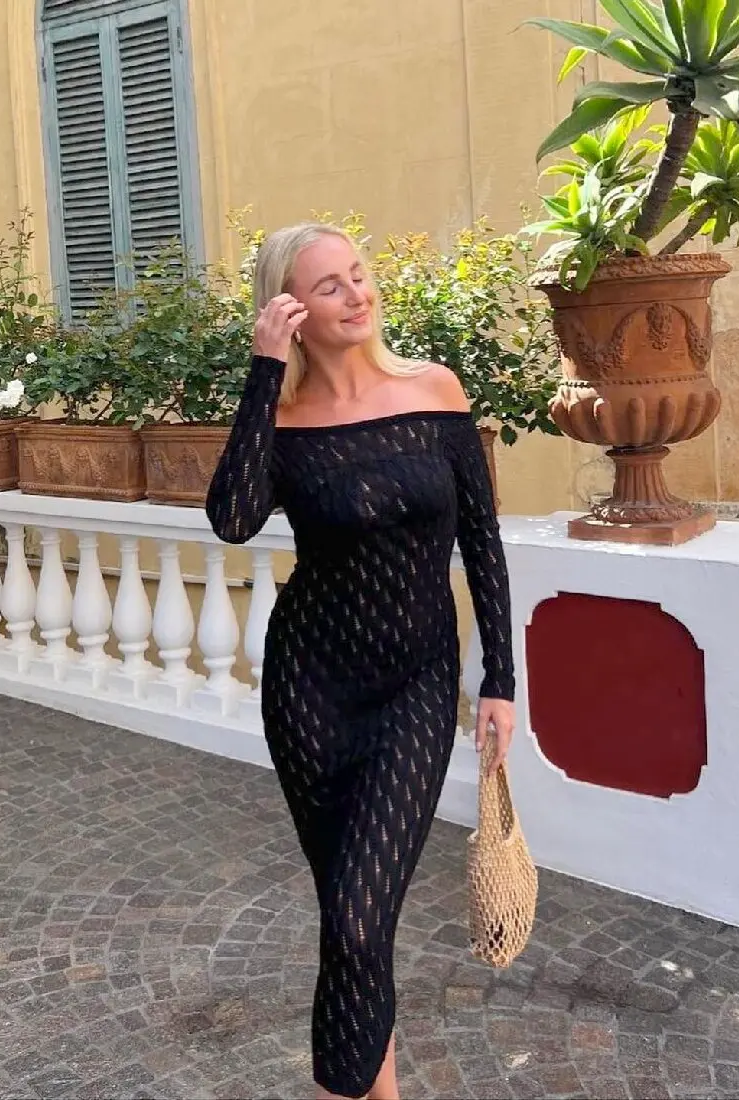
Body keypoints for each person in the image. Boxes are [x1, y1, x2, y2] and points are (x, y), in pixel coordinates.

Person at [206, 223, 516, 1100]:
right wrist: (263, 372)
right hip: (310, 691)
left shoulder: (434, 390)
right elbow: (232, 519)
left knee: (354, 919)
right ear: (290, 311)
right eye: (329, 287)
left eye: (358, 275)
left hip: (414, 686)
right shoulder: (284, 419)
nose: (357, 295)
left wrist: (499, 677)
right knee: (352, 921)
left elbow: (482, 541)